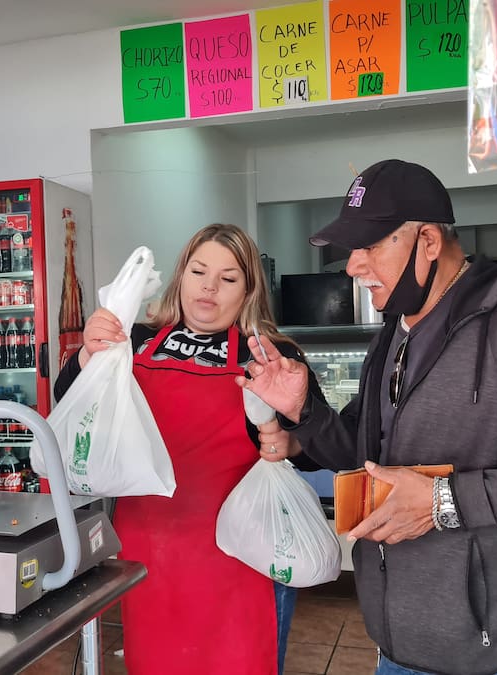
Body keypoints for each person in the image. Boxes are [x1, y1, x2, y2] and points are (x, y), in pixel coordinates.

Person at [240, 159, 497, 675]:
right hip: (397, 645)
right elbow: (363, 456)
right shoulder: (395, 332)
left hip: (494, 653)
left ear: (428, 240)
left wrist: (443, 501)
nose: (352, 266)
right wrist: (303, 410)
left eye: (369, 246)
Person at [54, 224, 322, 674]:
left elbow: (317, 451)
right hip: (151, 551)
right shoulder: (133, 341)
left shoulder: (271, 355)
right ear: (181, 277)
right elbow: (72, 404)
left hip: (240, 554)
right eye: (199, 271)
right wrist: (87, 355)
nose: (209, 287)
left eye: (229, 278)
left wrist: (289, 440)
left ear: (249, 291)